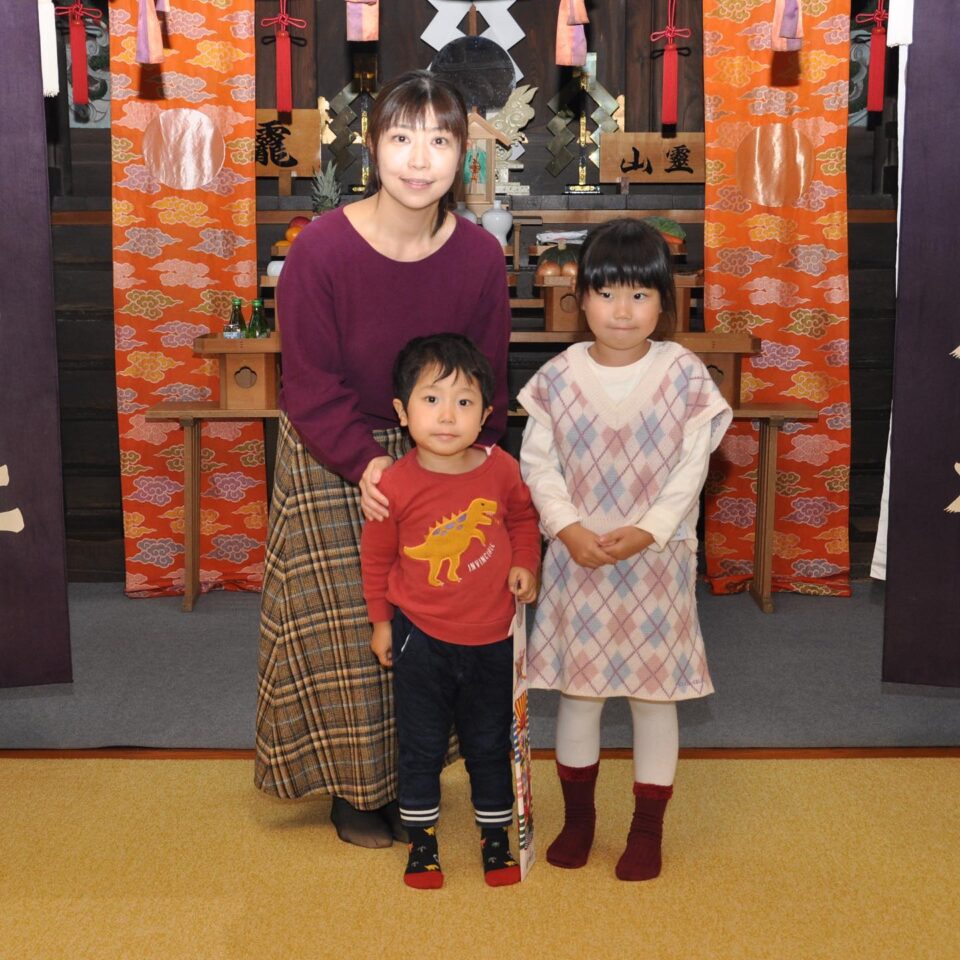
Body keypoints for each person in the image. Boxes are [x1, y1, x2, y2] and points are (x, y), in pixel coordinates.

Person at [255, 70, 512, 849]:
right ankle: (351, 789)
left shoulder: (477, 257)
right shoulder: (322, 250)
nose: (419, 157)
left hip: (443, 445)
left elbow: (487, 376)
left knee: (435, 617)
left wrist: (467, 462)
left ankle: (418, 779)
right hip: (339, 449)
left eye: (440, 138)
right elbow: (307, 379)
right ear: (373, 147)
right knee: (349, 628)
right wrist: (370, 466)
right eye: (401, 137)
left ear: (465, 154)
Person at [517, 219, 732, 881]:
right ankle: (578, 820)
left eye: (640, 295)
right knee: (578, 697)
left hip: (655, 565)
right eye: (607, 293)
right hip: (579, 560)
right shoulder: (556, 378)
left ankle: (647, 829)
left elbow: (692, 468)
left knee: (653, 698)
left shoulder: (685, 375)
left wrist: (651, 528)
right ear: (579, 299)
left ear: (665, 304)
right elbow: (538, 465)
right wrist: (566, 527)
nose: (622, 309)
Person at [360, 334, 540, 889]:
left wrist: (526, 565)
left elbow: (522, 520)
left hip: (493, 638)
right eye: (431, 399)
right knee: (421, 744)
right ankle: (422, 846)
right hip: (421, 636)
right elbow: (378, 556)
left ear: (487, 414)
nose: (446, 416)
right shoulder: (393, 484)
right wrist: (381, 622)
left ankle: (494, 839)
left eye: (464, 402)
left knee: (490, 742)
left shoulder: (502, 468)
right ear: (402, 411)